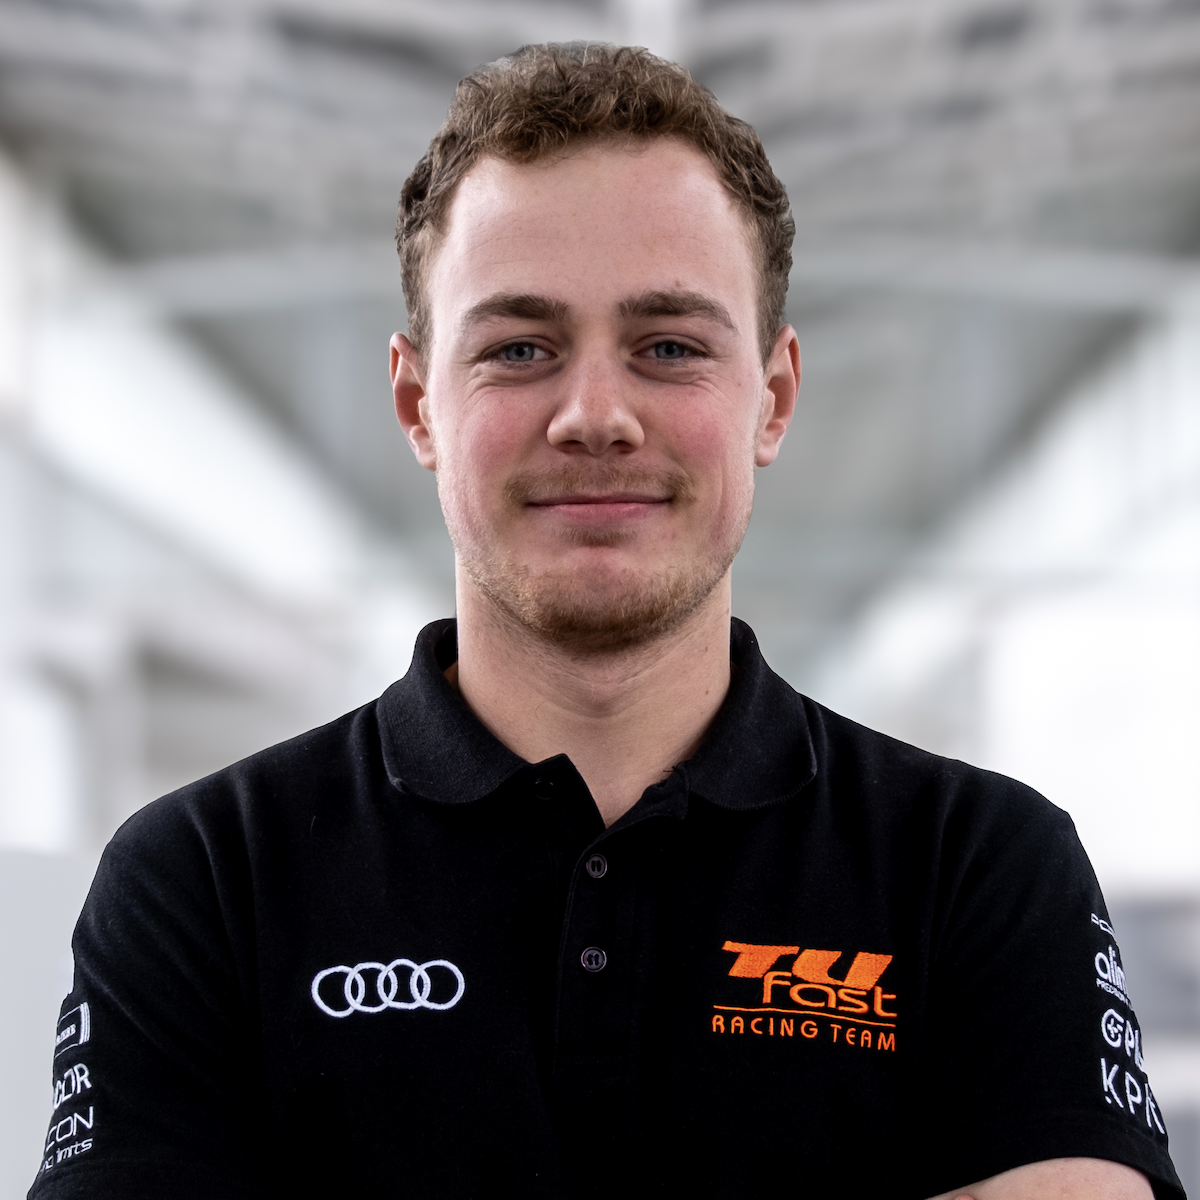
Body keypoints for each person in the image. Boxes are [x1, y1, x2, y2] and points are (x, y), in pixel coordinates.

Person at [29, 43, 1183, 1200]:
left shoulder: (979, 867)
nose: (594, 415)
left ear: (772, 398)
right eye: (519, 348)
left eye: (669, 347)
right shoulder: (203, 880)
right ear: (418, 403)